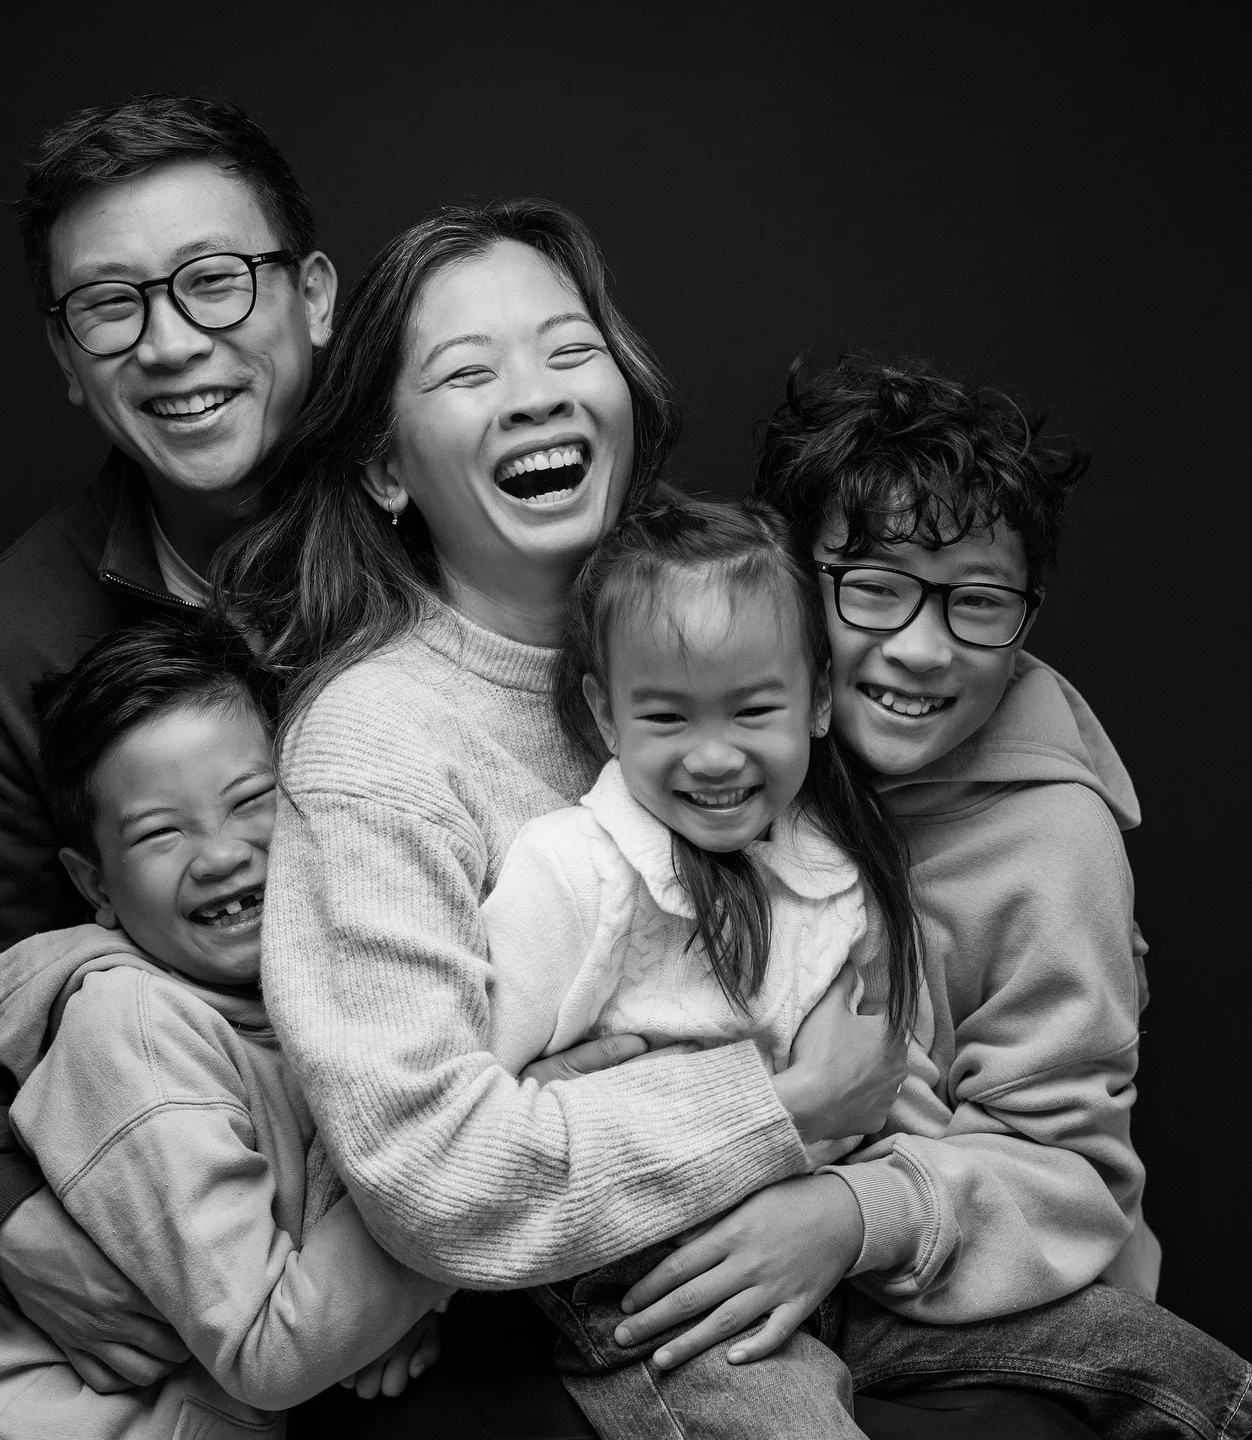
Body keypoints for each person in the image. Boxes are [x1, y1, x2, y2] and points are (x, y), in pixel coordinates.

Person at [217, 197, 911, 1436]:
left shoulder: (725, 622)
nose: (534, 394)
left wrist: (863, 1194)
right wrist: (788, 1106)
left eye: (569, 349)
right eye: (468, 372)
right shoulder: (375, 741)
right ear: (384, 466)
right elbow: (438, 1175)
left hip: (828, 1254)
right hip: (582, 1348)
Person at [603, 355, 1251, 1437]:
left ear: (1027, 618)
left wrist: (848, 1216)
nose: (921, 646)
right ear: (792, 580)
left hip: (972, 1297)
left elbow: (1073, 1177)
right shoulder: (730, 749)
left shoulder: (1055, 841)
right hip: (726, 1250)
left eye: (979, 602)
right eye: (873, 586)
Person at [0, 92, 337, 1393]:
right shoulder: (0, 640)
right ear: (66, 355)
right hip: (199, 1250)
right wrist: (4, 1225)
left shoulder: (440, 545)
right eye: (111, 306)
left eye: (213, 280)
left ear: (311, 294)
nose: (171, 342)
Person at [0, 618, 449, 1438]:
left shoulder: (326, 1001)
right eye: (160, 832)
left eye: (251, 801)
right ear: (94, 885)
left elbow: (315, 1280)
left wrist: (379, 1318)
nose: (219, 855)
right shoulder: (131, 1034)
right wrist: (459, 1218)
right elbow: (270, 1348)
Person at [482, 493, 941, 1435]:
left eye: (753, 709)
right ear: (606, 715)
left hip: (814, 1243)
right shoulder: (574, 869)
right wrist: (404, 1292)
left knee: (1156, 1359)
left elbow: (872, 1080)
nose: (715, 756)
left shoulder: (832, 869)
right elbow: (454, 1108)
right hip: (649, 1282)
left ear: (816, 701)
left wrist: (872, 1206)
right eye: (667, 717)